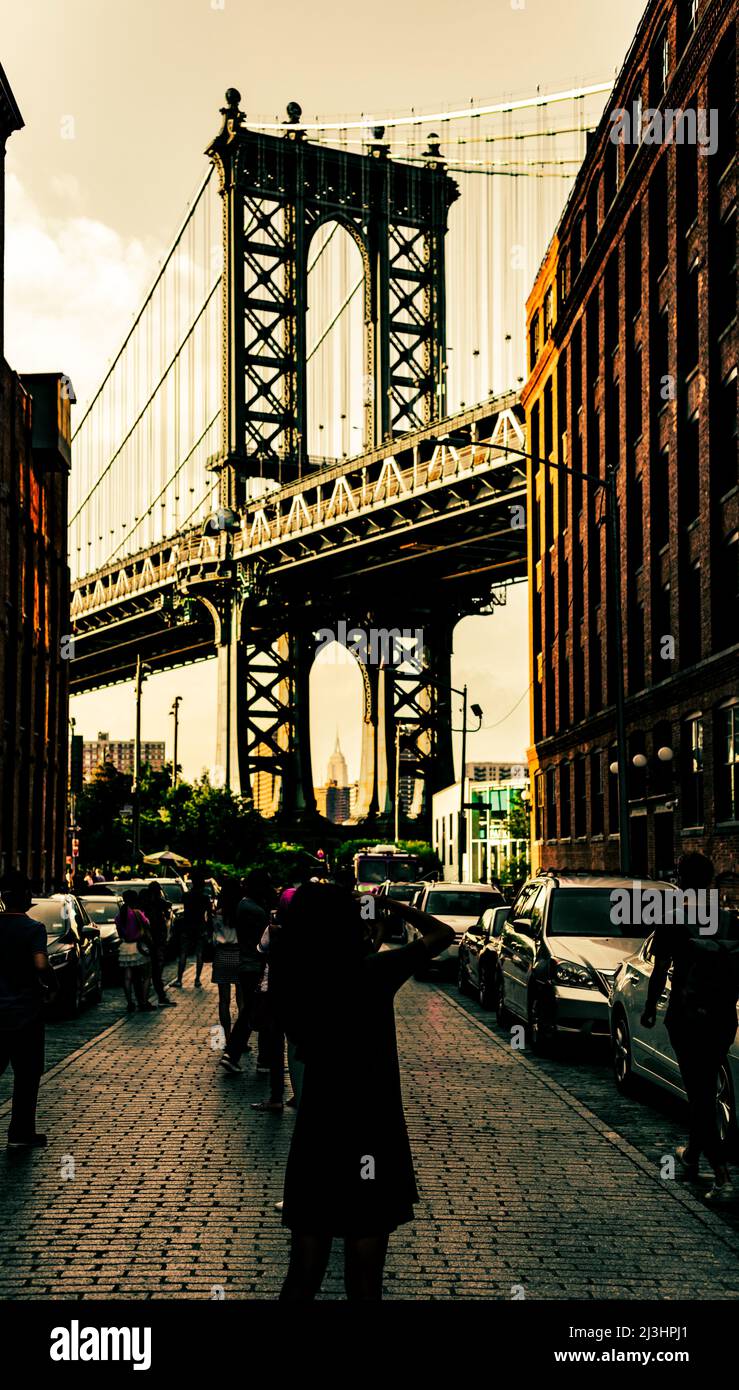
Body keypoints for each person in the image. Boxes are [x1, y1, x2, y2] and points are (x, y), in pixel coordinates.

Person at [271, 882, 454, 1300]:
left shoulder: (298, 977)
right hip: (371, 1133)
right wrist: (393, 905)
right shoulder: (373, 972)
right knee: (365, 1282)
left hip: (319, 1132)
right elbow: (442, 934)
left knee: (302, 1275)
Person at [642, 852, 739, 1203]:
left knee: (699, 1096)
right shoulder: (728, 918)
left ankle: (723, 1178)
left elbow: (660, 968)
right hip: (723, 1016)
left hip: (687, 1016)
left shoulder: (673, 918)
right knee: (705, 1087)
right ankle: (693, 1155)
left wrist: (651, 1008)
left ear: (681, 878)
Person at [0, 870, 58, 1147]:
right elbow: (40, 965)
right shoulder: (33, 929)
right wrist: (52, 984)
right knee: (26, 1075)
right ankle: (20, 1134)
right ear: (26, 897)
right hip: (25, 1013)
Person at [219, 870, 273, 1075]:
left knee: (255, 1011)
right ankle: (237, 1054)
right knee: (254, 1012)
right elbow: (266, 940)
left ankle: (258, 1058)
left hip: (247, 964)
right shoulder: (253, 909)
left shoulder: (245, 905)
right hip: (254, 966)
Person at [211, 878, 243, 1048]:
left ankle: (227, 1038)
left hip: (222, 956)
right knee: (242, 1000)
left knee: (224, 1000)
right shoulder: (242, 912)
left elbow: (214, 937)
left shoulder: (217, 914)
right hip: (239, 955)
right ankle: (241, 1038)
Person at [115, 890, 156, 1013]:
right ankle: (143, 1002)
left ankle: (130, 1003)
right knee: (147, 975)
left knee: (127, 978)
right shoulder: (137, 913)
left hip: (125, 947)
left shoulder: (119, 916)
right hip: (139, 947)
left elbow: (119, 933)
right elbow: (147, 925)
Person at [142, 882, 176, 1008]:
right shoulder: (158, 903)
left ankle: (146, 999)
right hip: (156, 942)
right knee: (156, 971)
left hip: (148, 942)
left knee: (148, 973)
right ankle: (160, 997)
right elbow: (168, 904)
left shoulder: (146, 904)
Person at [174, 872, 211, 989]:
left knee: (183, 953)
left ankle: (179, 980)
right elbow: (209, 914)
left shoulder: (186, 896)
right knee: (199, 954)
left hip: (187, 927)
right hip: (200, 927)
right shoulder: (205, 898)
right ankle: (197, 980)